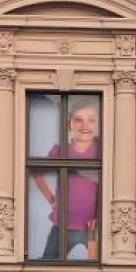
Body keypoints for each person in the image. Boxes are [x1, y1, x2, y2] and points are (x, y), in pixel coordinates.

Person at [31, 97, 101, 260]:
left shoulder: (101, 151)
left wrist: (99, 215)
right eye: (78, 120)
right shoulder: (60, 150)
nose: (85, 126)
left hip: (92, 227)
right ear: (70, 123)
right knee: (46, 268)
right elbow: (37, 172)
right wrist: (51, 198)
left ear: (98, 125)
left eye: (91, 121)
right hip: (62, 225)